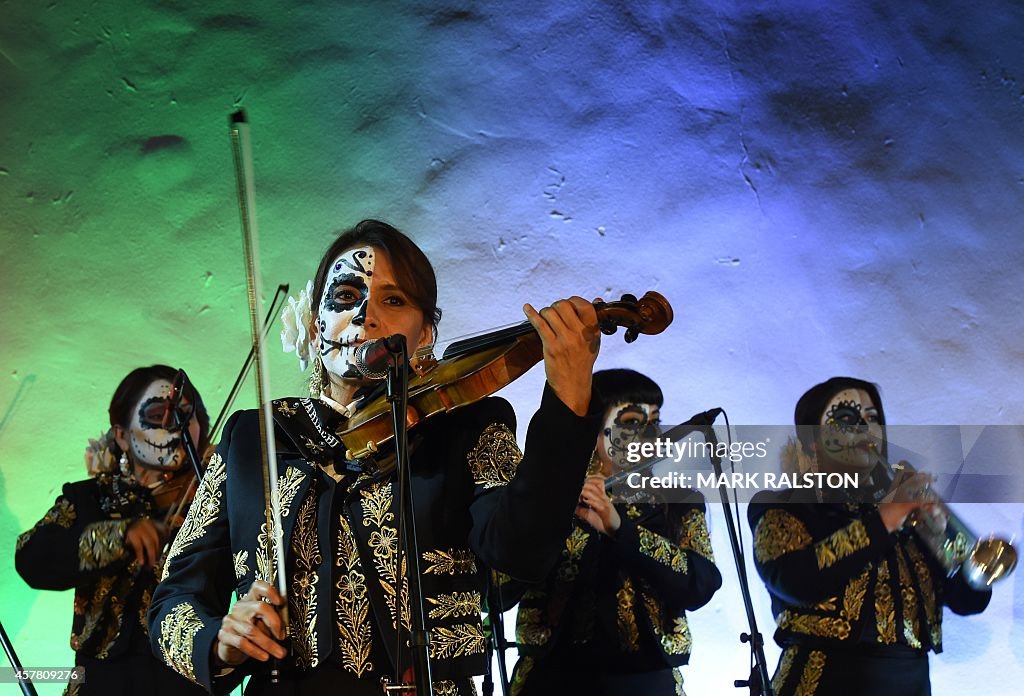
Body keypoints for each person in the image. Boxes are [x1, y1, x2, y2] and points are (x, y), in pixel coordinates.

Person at [148, 219, 603, 695]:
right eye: (345, 297)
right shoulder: (254, 437)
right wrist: (219, 641)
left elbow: (521, 555)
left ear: (425, 332)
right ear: (314, 323)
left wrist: (567, 402)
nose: (366, 317)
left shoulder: (467, 426)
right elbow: (175, 596)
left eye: (394, 300)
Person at [748, 376, 992, 696]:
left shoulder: (909, 511)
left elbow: (967, 602)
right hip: (826, 679)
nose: (864, 427)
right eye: (845, 419)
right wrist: (886, 518)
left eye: (872, 418)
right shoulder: (785, 504)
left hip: (911, 680)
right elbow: (794, 581)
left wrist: (961, 553)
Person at [507, 368, 722, 696]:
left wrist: (621, 530)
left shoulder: (678, 499)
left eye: (654, 422)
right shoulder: (551, 495)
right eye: (633, 423)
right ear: (594, 427)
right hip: (553, 677)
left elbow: (700, 584)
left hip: (646, 678)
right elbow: (504, 581)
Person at [15, 364, 211, 696]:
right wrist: (118, 537)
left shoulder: (211, 498)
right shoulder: (91, 498)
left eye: (184, 416)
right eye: (157, 415)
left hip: (184, 683)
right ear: (121, 435)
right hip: (98, 681)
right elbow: (32, 557)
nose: (174, 428)